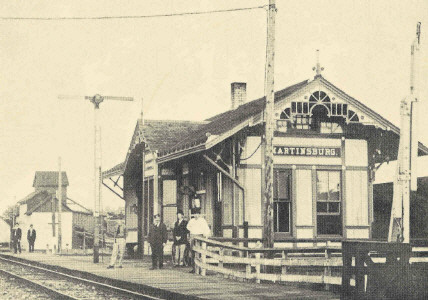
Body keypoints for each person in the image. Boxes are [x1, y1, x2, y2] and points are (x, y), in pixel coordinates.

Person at [186, 208, 211, 273]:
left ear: (199, 214)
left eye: (197, 214)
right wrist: (191, 232)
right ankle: (194, 268)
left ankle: (201, 268)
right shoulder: (191, 221)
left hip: (200, 237)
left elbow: (207, 229)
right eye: (195, 214)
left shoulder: (202, 220)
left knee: (200, 253)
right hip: (193, 236)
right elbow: (188, 227)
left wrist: (206, 235)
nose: (196, 215)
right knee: (193, 253)